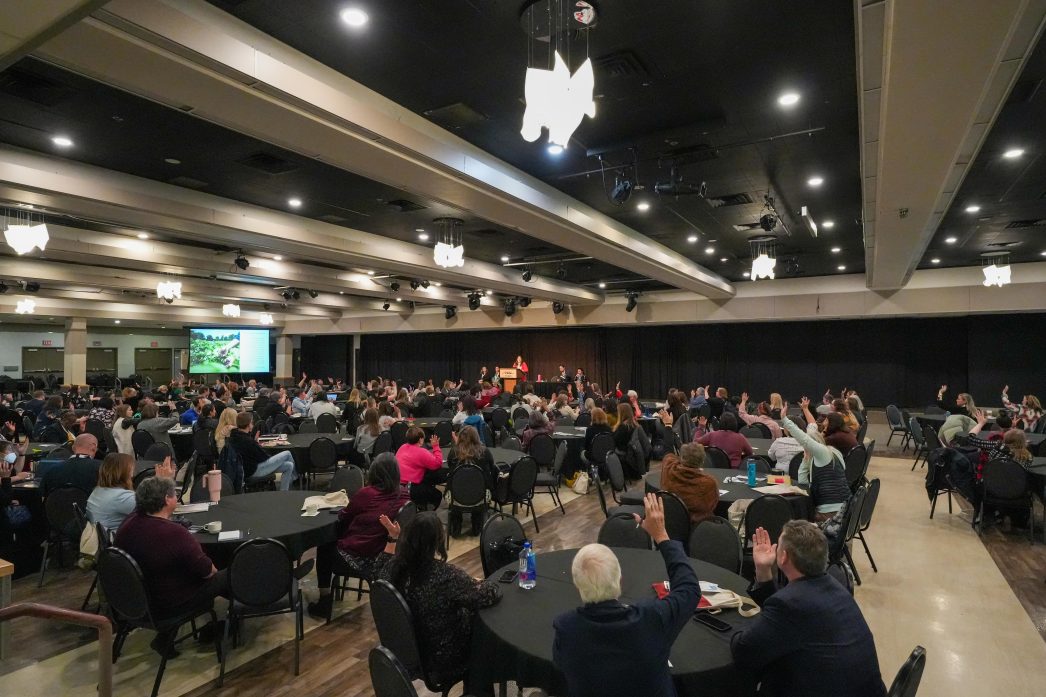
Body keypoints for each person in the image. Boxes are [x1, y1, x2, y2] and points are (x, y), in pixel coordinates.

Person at [553, 494, 699, 697]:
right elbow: (689, 589)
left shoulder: (566, 628)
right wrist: (662, 536)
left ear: (577, 587)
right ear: (620, 580)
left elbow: (561, 666)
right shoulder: (651, 618)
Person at [731, 523, 886, 697]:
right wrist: (763, 569)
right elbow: (788, 617)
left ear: (783, 557)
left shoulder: (791, 604)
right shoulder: (835, 585)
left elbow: (744, 650)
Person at [373, 512, 500, 690]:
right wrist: (480, 583)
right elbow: (488, 595)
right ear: (437, 542)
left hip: (408, 653)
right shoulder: (444, 576)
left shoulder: (393, 568)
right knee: (484, 630)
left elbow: (377, 570)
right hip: (443, 658)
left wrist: (393, 537)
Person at [114, 476, 227, 655]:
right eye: (175, 494)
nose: (177, 497)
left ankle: (166, 639)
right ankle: (231, 623)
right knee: (228, 574)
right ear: (167, 500)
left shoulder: (128, 523)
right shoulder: (173, 533)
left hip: (137, 601)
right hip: (170, 603)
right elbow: (208, 572)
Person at [308, 454, 410, 619]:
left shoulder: (367, 494)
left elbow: (344, 516)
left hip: (360, 555)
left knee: (325, 544)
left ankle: (324, 601)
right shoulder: (404, 494)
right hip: (386, 553)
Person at [782, 402, 849, 520]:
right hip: (845, 508)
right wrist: (806, 459)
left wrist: (785, 420)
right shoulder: (833, 452)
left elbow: (804, 439)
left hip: (831, 514)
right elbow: (803, 483)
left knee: (794, 519)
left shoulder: (823, 453)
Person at [88, 452, 176, 531]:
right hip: (124, 543)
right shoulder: (121, 498)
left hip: (108, 541)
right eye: (131, 469)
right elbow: (160, 513)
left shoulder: (98, 491)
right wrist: (164, 481)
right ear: (123, 472)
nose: (133, 474)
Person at [226, 411, 298, 490]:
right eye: (252, 423)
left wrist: (255, 443)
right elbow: (263, 457)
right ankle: (295, 477)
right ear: (248, 424)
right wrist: (257, 444)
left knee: (289, 465)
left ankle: (284, 492)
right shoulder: (247, 441)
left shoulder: (234, 437)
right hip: (253, 470)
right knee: (287, 453)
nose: (253, 424)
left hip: (246, 469)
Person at [660, 443, 719, 524]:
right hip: (696, 525)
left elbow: (668, 457)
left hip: (670, 521)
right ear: (702, 461)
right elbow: (711, 506)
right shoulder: (709, 483)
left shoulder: (668, 469)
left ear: (682, 458)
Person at [396, 426, 444, 510]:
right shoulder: (422, 452)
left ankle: (420, 506)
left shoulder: (402, 447)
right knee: (437, 495)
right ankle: (425, 512)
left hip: (397, 485)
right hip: (411, 488)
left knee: (427, 479)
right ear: (420, 439)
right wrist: (436, 446)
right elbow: (437, 463)